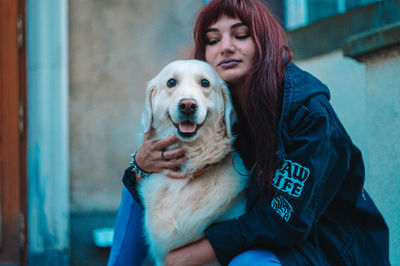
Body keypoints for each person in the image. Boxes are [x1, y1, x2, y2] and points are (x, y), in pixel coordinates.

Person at [108, 0, 390, 265]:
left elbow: (284, 220)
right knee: (137, 185)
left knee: (249, 262)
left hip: (328, 248)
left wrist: (190, 255)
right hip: (269, 236)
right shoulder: (220, 103)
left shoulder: (308, 113)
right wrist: (141, 167)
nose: (226, 48)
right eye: (213, 40)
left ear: (263, 43)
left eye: (240, 35)